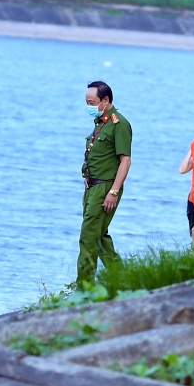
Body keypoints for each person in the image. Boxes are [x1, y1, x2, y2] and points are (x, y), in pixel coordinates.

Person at [78, 81, 132, 284]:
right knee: (99, 237)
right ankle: (123, 279)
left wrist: (114, 192)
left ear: (105, 100)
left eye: (91, 102)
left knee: (88, 237)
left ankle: (84, 287)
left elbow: (125, 160)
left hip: (106, 187)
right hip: (93, 188)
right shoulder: (101, 122)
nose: (88, 106)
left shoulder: (119, 124)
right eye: (86, 102)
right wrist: (87, 191)